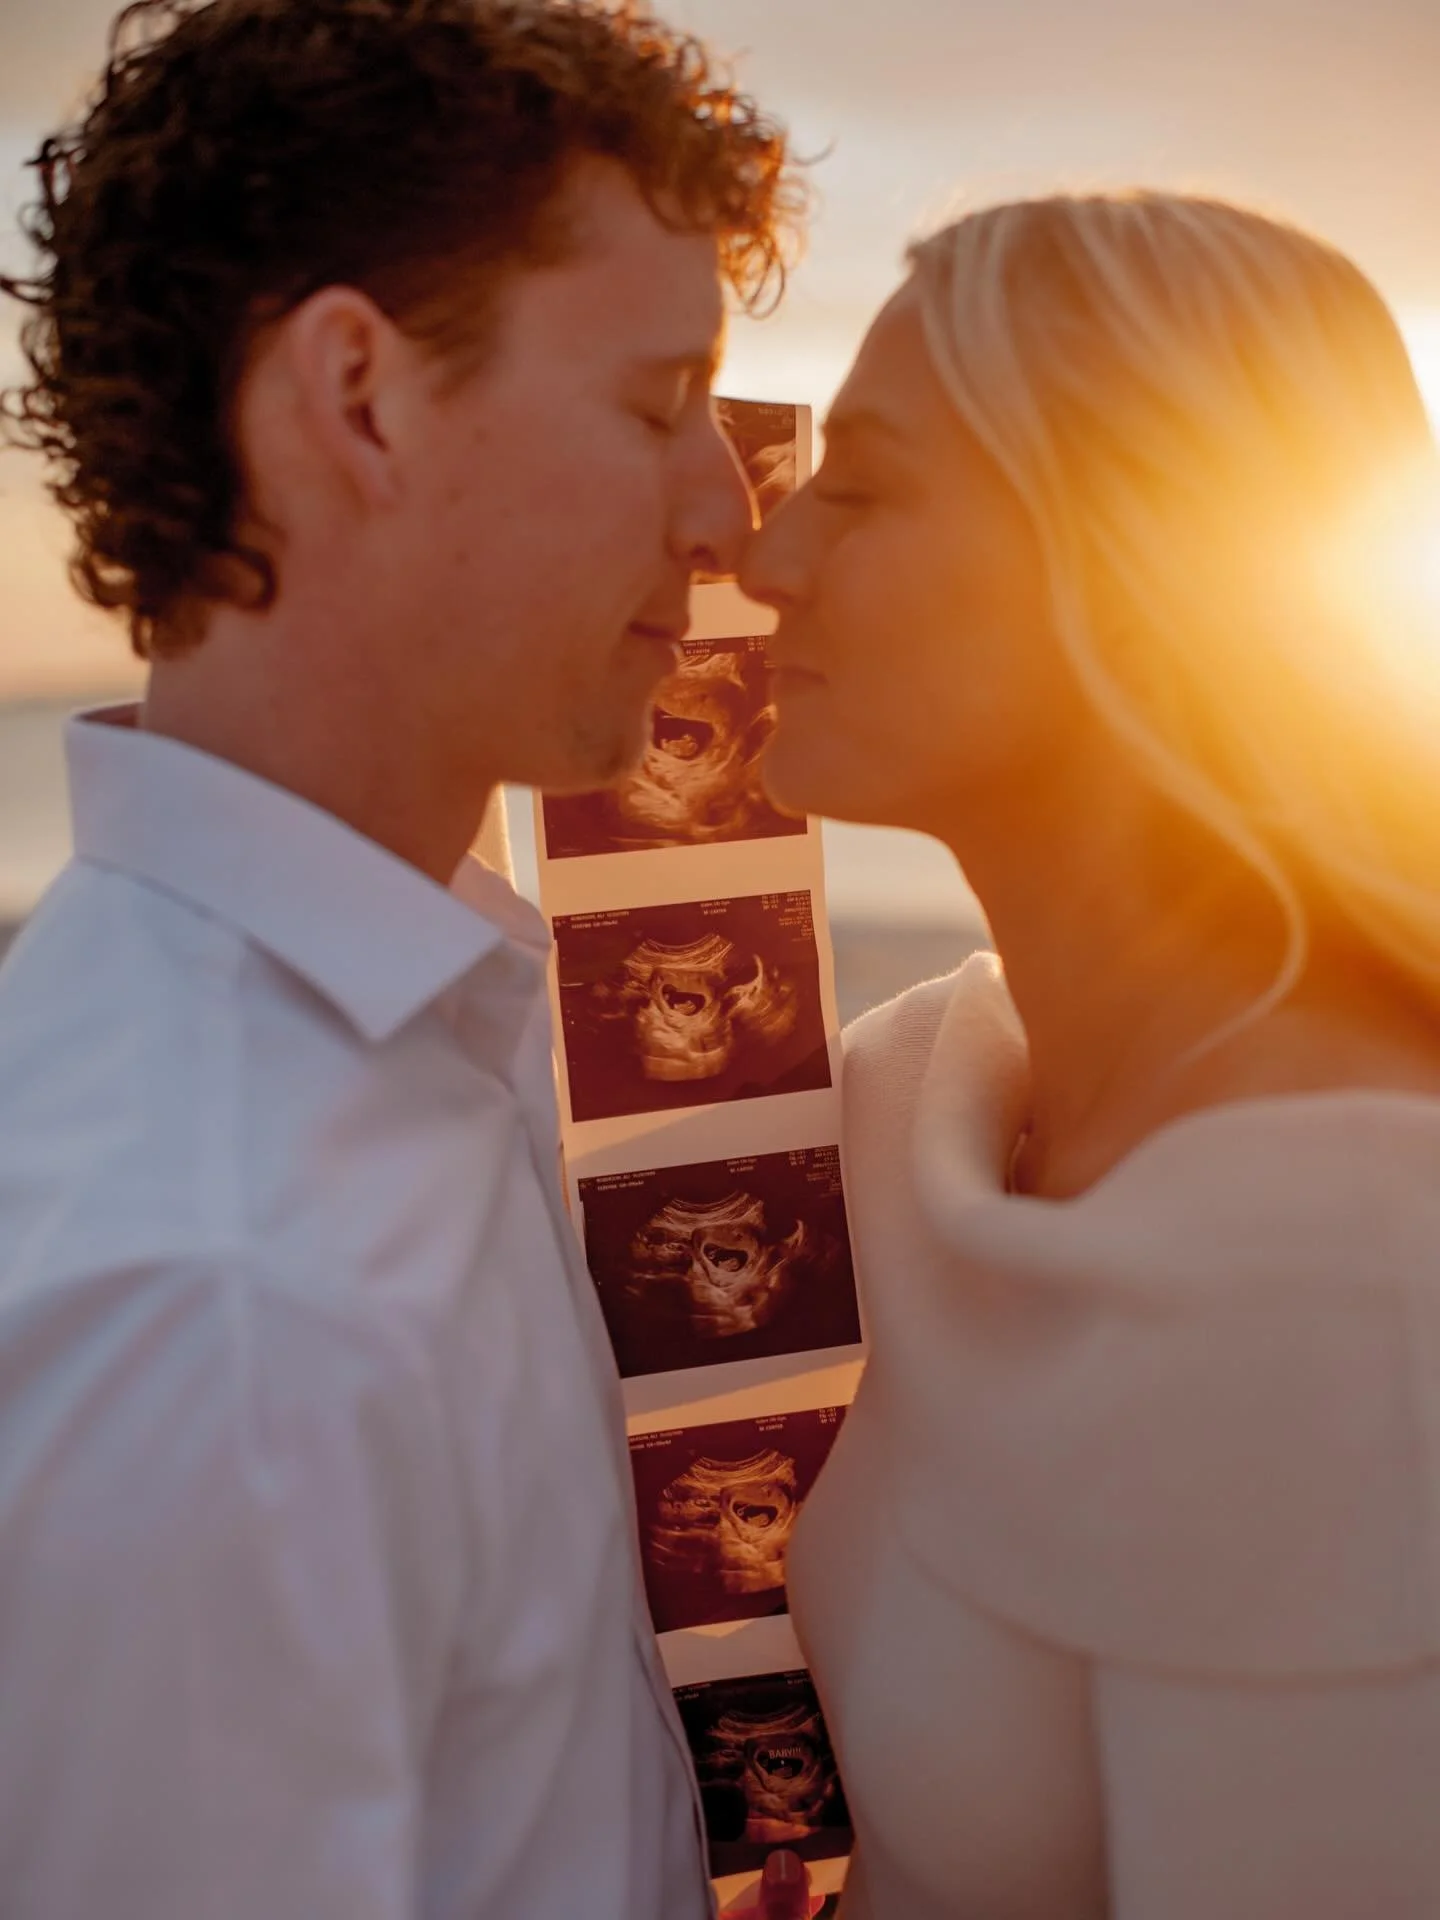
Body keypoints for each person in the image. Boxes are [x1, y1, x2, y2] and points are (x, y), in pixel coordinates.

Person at [0, 1, 805, 1914]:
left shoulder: (417, 1028)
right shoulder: (222, 1300)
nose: (729, 515)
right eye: (652, 404)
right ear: (360, 396)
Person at [740, 193, 1440, 1917]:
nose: (765, 558)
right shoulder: (930, 1092)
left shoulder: (1349, 1271)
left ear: (1138, 566)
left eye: (873, 486)